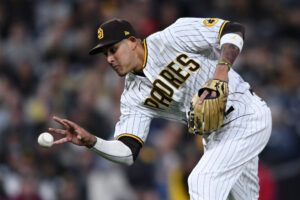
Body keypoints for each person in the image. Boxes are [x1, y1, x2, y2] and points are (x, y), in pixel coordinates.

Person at [48, 18, 272, 199]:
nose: (110, 58)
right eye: (105, 54)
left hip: (245, 113)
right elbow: (127, 152)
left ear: (133, 41)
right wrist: (92, 142)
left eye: (113, 49)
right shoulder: (133, 97)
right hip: (215, 137)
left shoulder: (173, 36)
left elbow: (232, 29)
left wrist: (221, 71)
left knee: (201, 181)